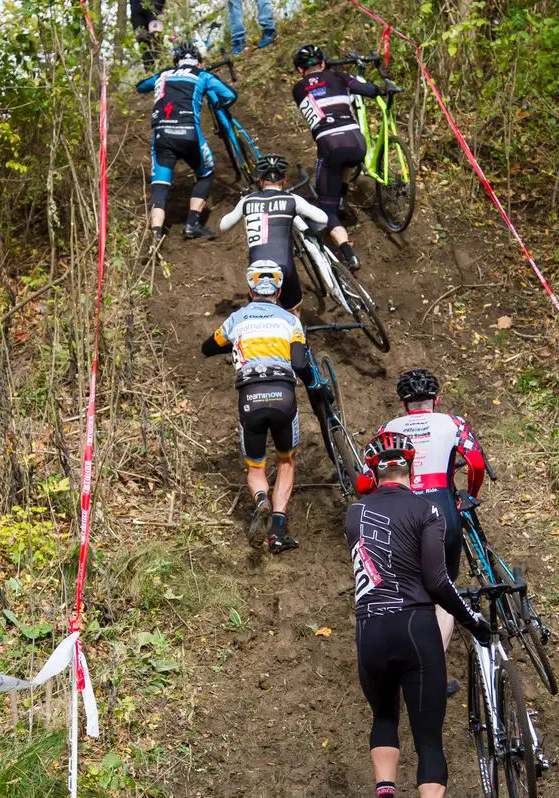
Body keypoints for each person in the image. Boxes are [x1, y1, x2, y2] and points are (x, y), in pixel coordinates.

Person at [345, 428, 490, 798]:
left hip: (370, 629)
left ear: (373, 473)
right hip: (415, 625)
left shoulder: (354, 513)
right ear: (410, 470)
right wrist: (471, 621)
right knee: (428, 736)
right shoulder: (428, 509)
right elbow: (436, 581)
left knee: (383, 717)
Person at [357, 368, 486, 660]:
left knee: (408, 593)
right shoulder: (453, 423)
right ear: (436, 399)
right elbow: (476, 464)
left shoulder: (388, 429)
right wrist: (471, 495)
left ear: (404, 404)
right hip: (442, 510)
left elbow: (364, 482)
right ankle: (433, 667)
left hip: (399, 515)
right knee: (443, 592)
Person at [202, 260, 317, 553]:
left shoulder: (238, 318)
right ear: (279, 291)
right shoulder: (291, 321)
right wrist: (315, 385)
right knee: (286, 461)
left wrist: (229, 345)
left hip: (250, 397)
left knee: (256, 467)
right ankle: (277, 529)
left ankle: (261, 499)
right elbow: (300, 363)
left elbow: (208, 346)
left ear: (250, 291)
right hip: (283, 395)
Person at [292, 44, 387, 272]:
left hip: (330, 146)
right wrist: (382, 88)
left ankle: (348, 253)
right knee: (344, 162)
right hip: (357, 145)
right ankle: (342, 198)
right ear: (323, 63)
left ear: (299, 70)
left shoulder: (298, 88)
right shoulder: (340, 76)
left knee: (327, 209)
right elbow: (371, 90)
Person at [136, 41, 237, 244]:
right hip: (189, 134)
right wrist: (217, 103)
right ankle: (192, 224)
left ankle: (156, 233)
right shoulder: (203, 75)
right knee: (206, 172)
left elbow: (140, 87)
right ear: (199, 62)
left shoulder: (163, 75)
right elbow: (230, 95)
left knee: (160, 185)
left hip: (162, 136)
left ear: (176, 62)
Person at [219, 154, 328, 312]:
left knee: (259, 313)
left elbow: (223, 226)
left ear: (260, 180)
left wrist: (243, 206)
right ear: (283, 180)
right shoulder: (292, 199)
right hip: (284, 266)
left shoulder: (247, 200)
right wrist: (309, 229)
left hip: (257, 268)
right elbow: (323, 218)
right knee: (293, 311)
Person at [130, 0, 165, 71]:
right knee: (143, 41)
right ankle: (149, 72)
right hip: (137, 12)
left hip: (154, 8)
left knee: (156, 39)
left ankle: (160, 70)